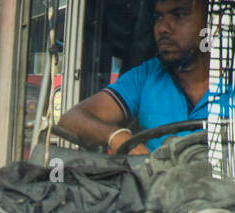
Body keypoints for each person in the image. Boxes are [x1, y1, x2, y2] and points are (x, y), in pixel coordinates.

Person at [57, 0, 209, 156]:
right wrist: (117, 137)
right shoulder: (146, 75)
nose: (163, 28)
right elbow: (71, 119)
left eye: (179, 15)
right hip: (156, 179)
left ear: (211, 24)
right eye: (158, 18)